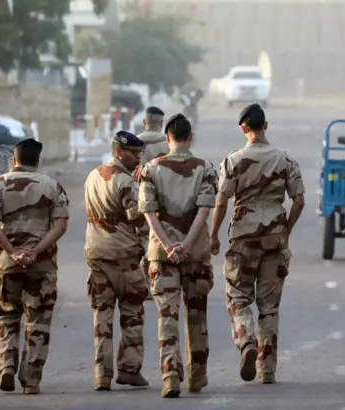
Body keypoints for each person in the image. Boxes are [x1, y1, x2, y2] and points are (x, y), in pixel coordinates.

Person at [210, 103, 305, 385]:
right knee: (269, 307)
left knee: (238, 297)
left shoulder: (233, 161)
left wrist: (213, 235)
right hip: (274, 238)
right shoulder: (284, 159)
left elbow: (221, 201)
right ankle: (267, 370)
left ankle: (246, 340)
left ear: (243, 128)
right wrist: (285, 229)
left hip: (243, 238)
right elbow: (299, 200)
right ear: (266, 126)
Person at [138, 113, 217, 398]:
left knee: (166, 315)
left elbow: (148, 212)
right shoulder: (206, 168)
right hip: (195, 253)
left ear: (167, 138)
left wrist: (169, 244)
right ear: (190, 137)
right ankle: (196, 376)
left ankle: (170, 375)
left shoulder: (150, 169)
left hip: (162, 255)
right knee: (196, 314)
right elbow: (204, 210)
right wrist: (186, 244)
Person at [0, 138, 69, 395]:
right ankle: (31, 380)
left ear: (14, 160)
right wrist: (35, 251)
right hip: (41, 265)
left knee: (7, 316)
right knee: (38, 320)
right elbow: (60, 225)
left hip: (7, 264)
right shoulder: (53, 187)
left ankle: (7, 367)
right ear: (37, 161)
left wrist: (13, 252)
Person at [84, 131, 150, 391]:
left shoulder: (92, 176)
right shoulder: (126, 182)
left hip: (96, 255)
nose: (138, 157)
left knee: (102, 314)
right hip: (123, 256)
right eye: (134, 153)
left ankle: (102, 374)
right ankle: (129, 369)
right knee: (133, 311)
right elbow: (138, 218)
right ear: (119, 151)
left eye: (139, 153)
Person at [136, 106, 170, 300]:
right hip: (162, 201)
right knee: (158, 240)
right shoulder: (168, 144)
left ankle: (143, 282)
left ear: (144, 122)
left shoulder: (133, 143)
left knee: (140, 241)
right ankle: (157, 280)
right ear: (161, 123)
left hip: (136, 199)